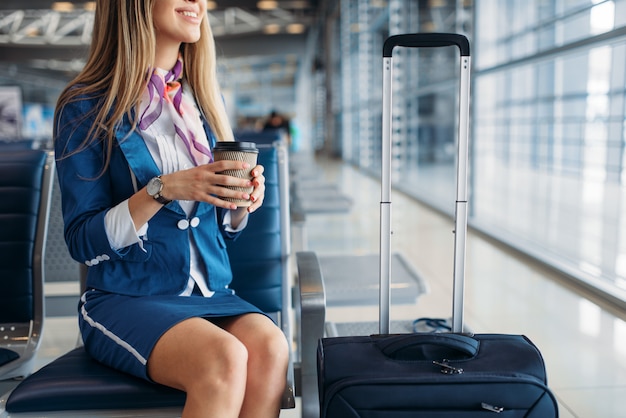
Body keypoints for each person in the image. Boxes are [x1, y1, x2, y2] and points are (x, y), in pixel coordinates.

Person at [53, 1, 289, 417]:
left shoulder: (202, 102)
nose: (197, 3)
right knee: (224, 358)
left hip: (210, 292)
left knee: (272, 346)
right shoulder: (85, 107)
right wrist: (161, 190)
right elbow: (82, 242)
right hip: (125, 295)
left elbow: (219, 229)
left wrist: (241, 203)